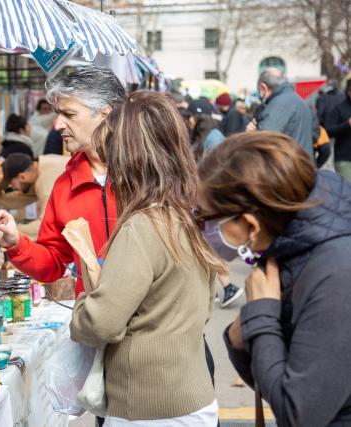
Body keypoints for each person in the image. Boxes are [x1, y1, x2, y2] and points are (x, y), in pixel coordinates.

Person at [71, 91, 221, 424]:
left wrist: (83, 302)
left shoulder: (142, 226)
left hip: (148, 406)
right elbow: (205, 305)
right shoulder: (188, 216)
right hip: (192, 395)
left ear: (127, 158)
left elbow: (101, 322)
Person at [196, 131, 351, 426]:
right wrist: (241, 336)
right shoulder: (292, 248)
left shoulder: (336, 274)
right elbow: (274, 379)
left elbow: (298, 414)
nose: (202, 229)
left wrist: (262, 317)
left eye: (206, 218)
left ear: (251, 224)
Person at [0, 67, 124, 297]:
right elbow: (53, 263)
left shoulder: (146, 175)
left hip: (150, 325)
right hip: (97, 323)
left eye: (69, 114)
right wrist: (16, 243)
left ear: (105, 114)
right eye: (58, 114)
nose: (58, 125)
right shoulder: (65, 186)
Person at [190, 114, 245, 308]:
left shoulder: (213, 140)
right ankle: (217, 288)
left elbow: (216, 170)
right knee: (205, 244)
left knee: (206, 244)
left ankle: (226, 287)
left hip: (209, 202)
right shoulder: (215, 138)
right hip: (210, 202)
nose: (191, 124)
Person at [246, 67, 315, 158]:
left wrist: (252, 134)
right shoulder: (298, 100)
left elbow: (264, 140)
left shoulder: (279, 104)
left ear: (263, 87)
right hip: (301, 164)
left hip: (288, 167)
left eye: (260, 91)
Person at [0, 153, 68, 240]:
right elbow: (25, 197)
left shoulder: (45, 183)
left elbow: (46, 226)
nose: (12, 188)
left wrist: (11, 230)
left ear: (22, 177)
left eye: (11, 184)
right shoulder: (42, 164)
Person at [326, 79, 351, 182]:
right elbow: (328, 131)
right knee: (349, 192)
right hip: (345, 159)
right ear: (349, 92)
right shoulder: (339, 109)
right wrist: (347, 124)